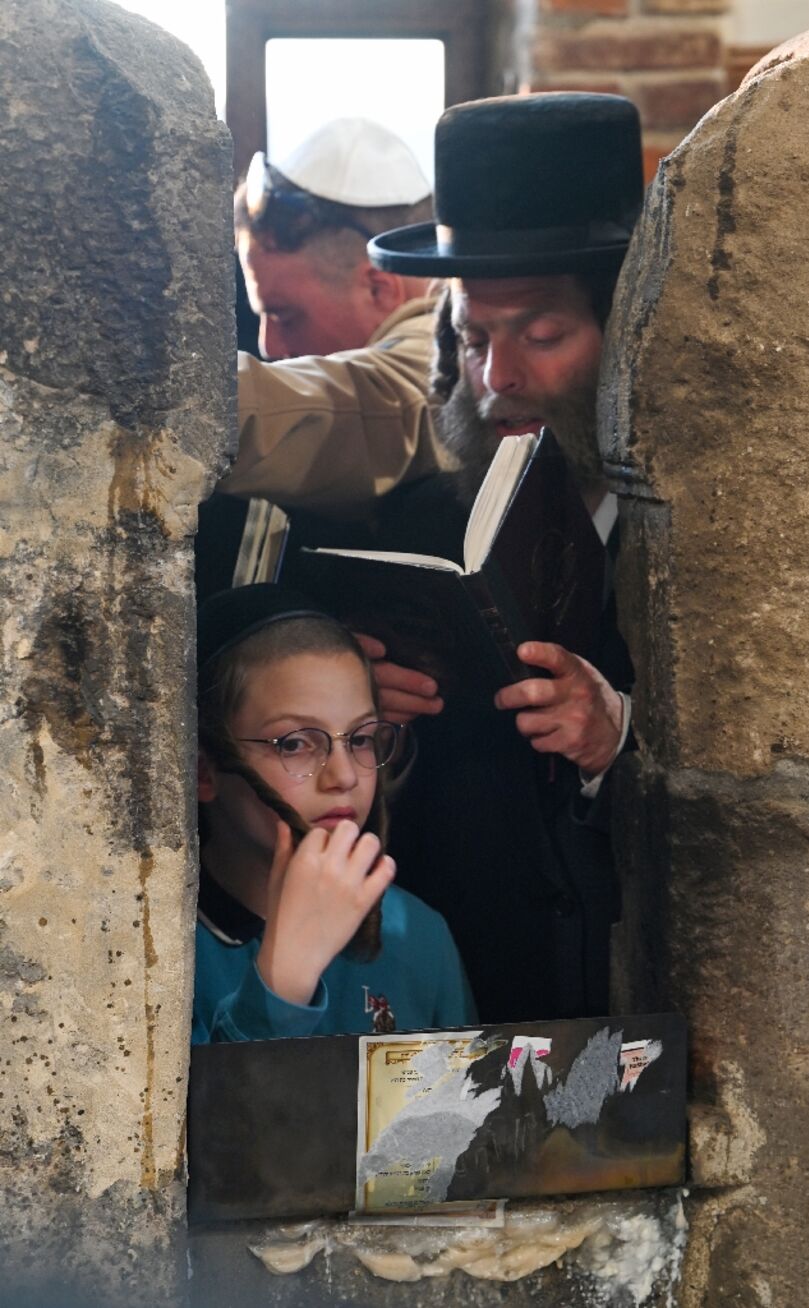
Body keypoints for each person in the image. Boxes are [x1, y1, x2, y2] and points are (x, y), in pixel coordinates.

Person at [354, 93, 644, 1022]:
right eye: (475, 339)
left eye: (542, 336)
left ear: (626, 340)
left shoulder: (713, 551)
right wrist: (356, 716)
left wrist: (618, 739)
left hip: (637, 1020)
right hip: (451, 1026)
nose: (498, 379)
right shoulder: (401, 536)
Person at [192, 584, 476, 1043]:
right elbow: (206, 1115)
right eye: (295, 744)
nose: (343, 776)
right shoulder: (157, 950)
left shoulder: (419, 933)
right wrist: (282, 982)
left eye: (361, 739)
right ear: (204, 771)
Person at [196, 118, 445, 599]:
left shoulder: (449, 350)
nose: (270, 345)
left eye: (285, 315)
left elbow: (375, 408)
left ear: (379, 286)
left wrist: (153, 392)